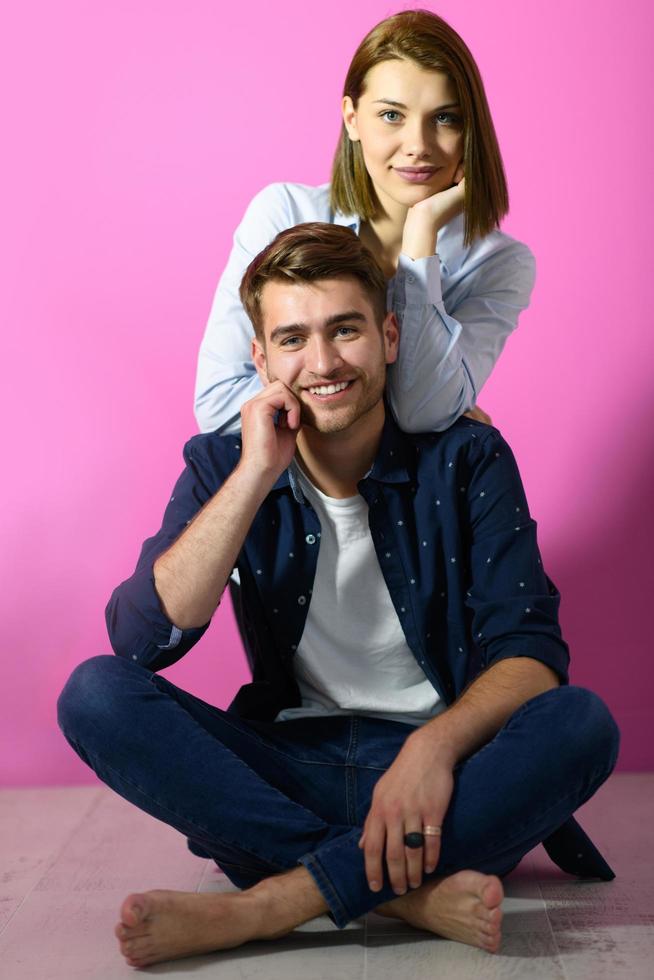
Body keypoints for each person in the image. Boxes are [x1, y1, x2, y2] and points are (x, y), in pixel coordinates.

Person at [58, 224, 618, 969]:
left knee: (580, 723)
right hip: (288, 769)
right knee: (94, 693)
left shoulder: (468, 457)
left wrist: (433, 747)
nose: (321, 363)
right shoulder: (224, 464)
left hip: (441, 786)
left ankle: (272, 902)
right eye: (292, 339)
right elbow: (141, 640)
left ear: (389, 336)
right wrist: (256, 475)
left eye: (345, 330)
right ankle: (401, 894)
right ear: (261, 359)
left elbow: (532, 655)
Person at [194, 9, 535, 436]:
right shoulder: (283, 213)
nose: (418, 145)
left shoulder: (498, 263)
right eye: (392, 115)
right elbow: (219, 405)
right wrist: (389, 404)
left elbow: (421, 412)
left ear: (472, 130)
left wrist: (421, 236)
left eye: (445, 118)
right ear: (352, 118)